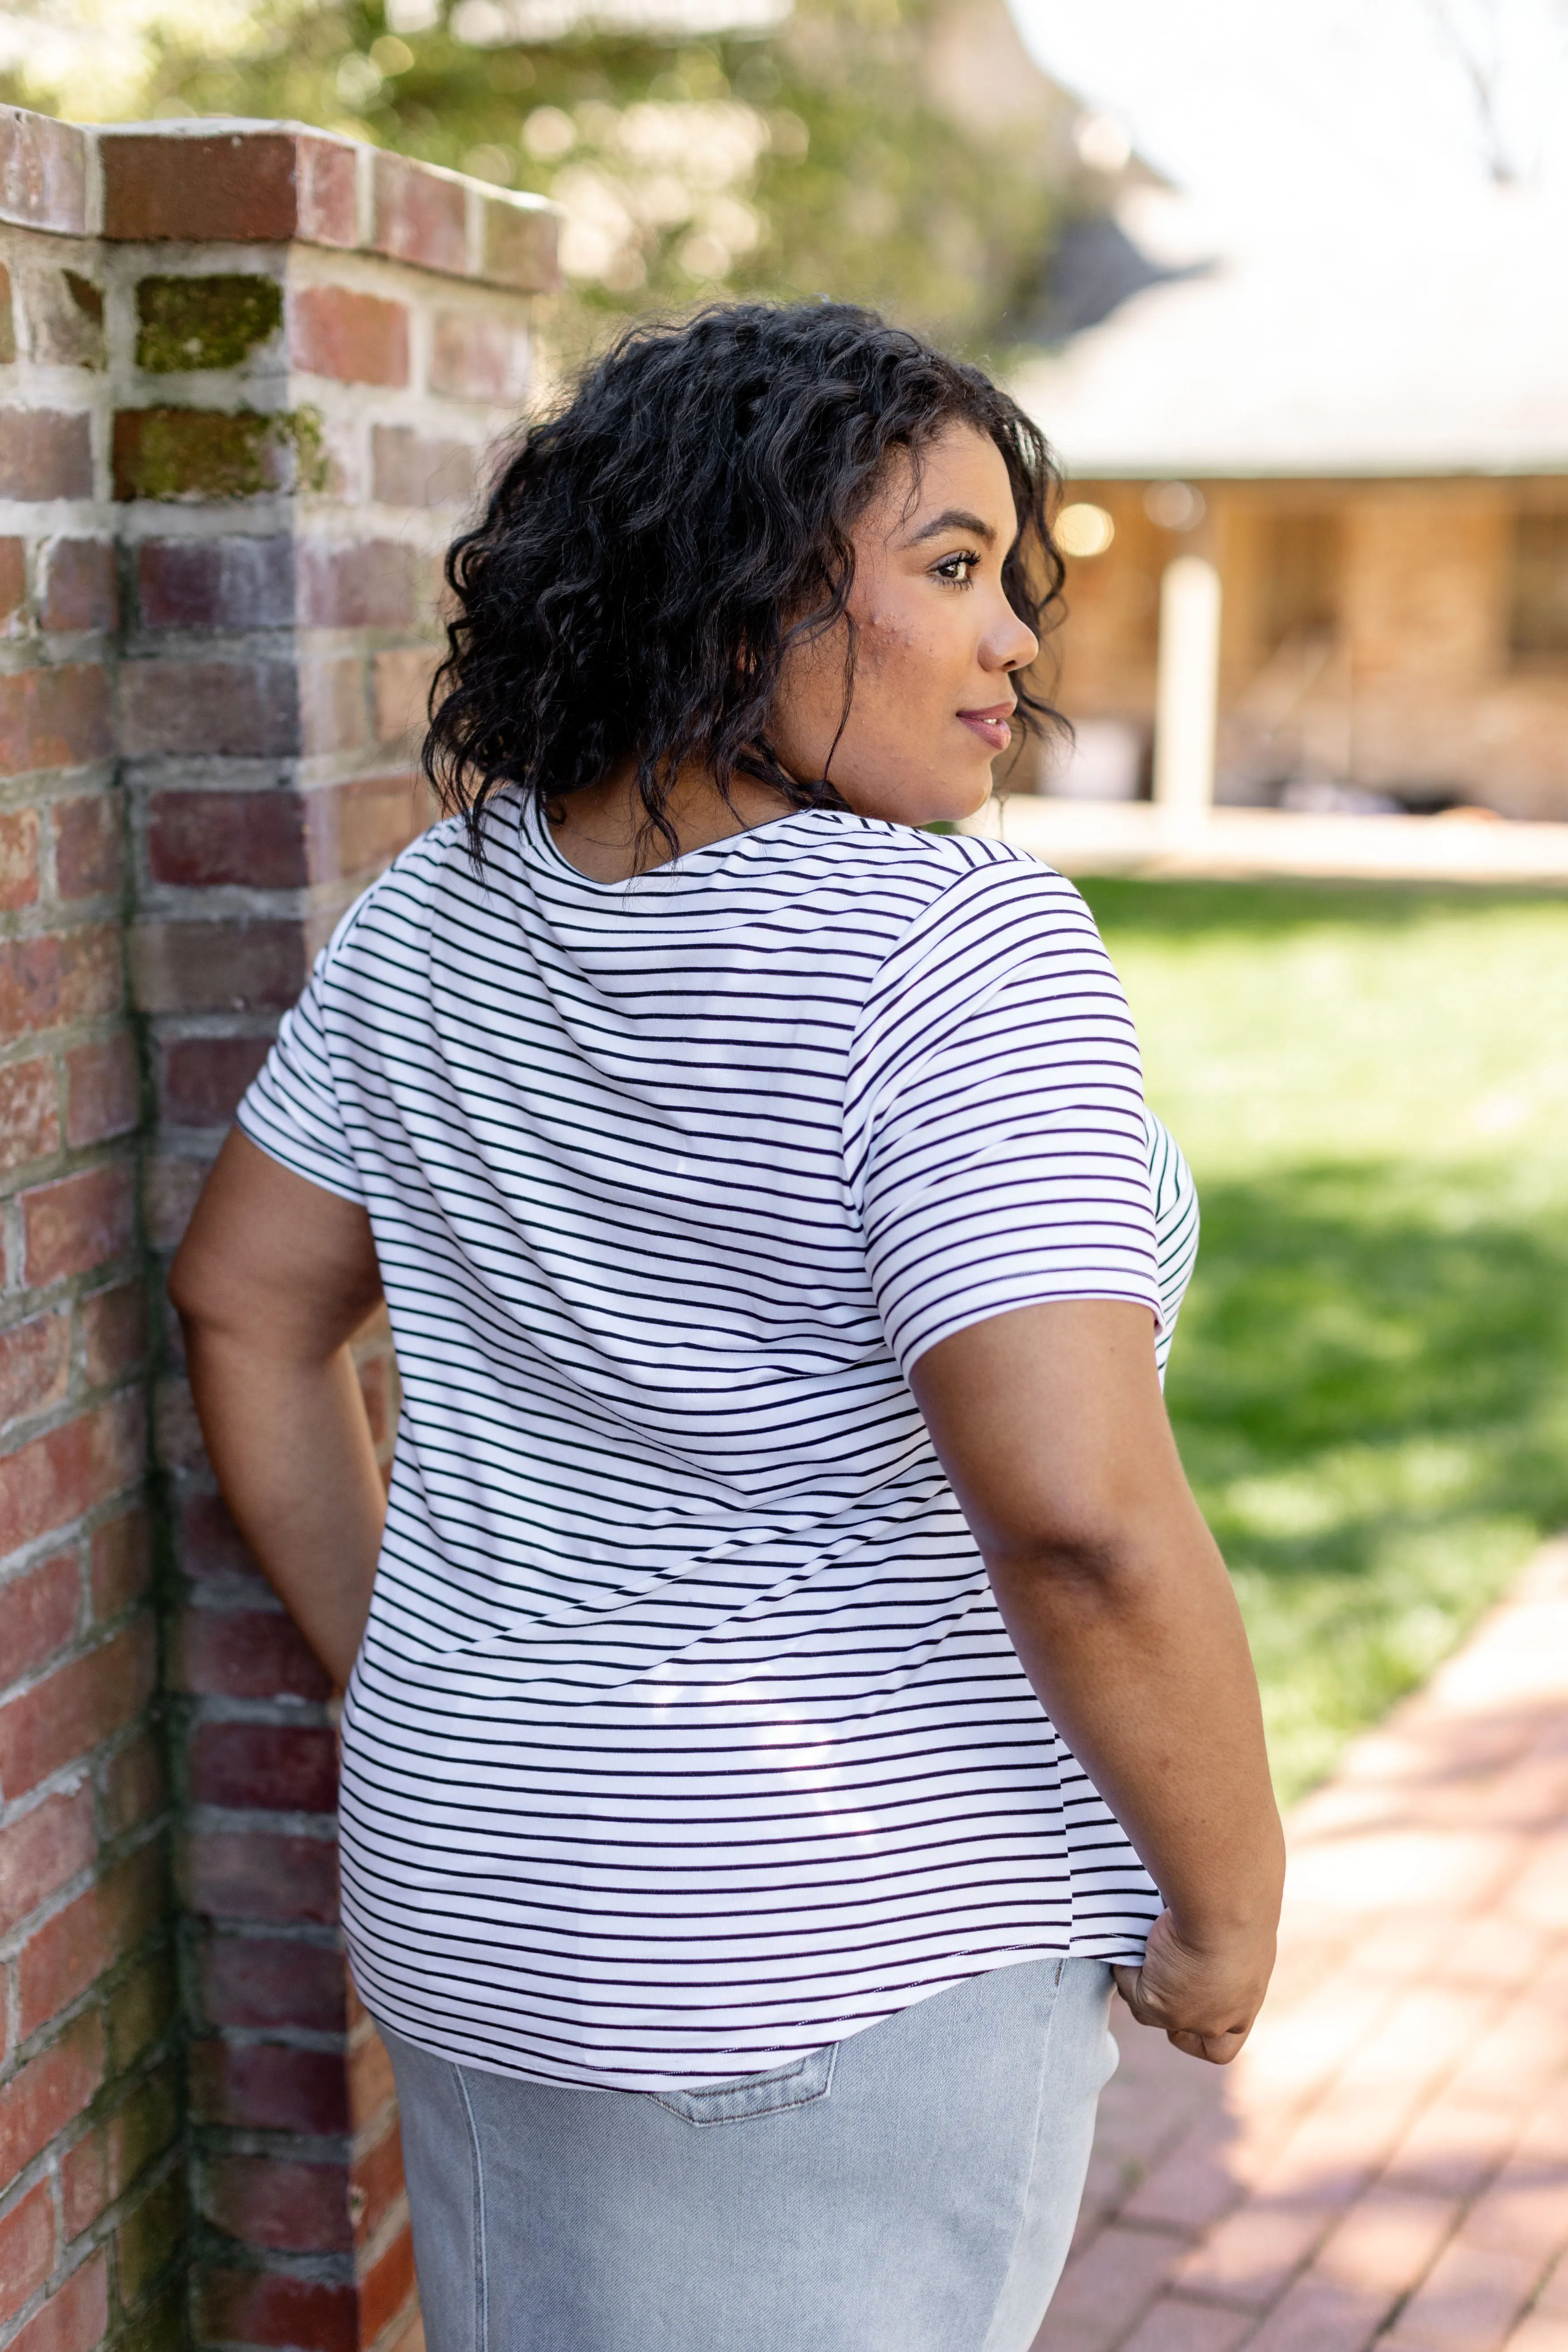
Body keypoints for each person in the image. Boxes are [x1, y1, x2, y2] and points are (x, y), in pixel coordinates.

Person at [171, 302, 1283, 2352]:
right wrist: (1225, 1902)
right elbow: (1077, 1515)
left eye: (1010, 586)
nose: (1015, 644)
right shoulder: (960, 958)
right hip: (838, 1959)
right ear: (733, 582)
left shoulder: (443, 905)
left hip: (470, 1880)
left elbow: (244, 1300)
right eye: (949, 569)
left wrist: (418, 1670)